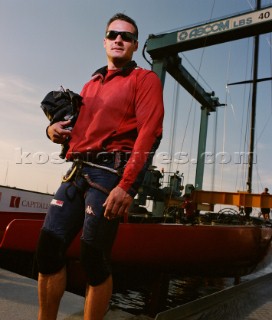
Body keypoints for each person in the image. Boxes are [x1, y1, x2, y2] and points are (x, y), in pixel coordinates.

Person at [36, 13, 164, 320]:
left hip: (110, 175)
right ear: (105, 41)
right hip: (76, 171)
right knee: (47, 250)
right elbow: (73, 129)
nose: (119, 39)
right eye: (113, 34)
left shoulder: (144, 80)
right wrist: (52, 130)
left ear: (134, 46)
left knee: (93, 258)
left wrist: (128, 186)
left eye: (127, 36)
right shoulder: (90, 83)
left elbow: (151, 133)